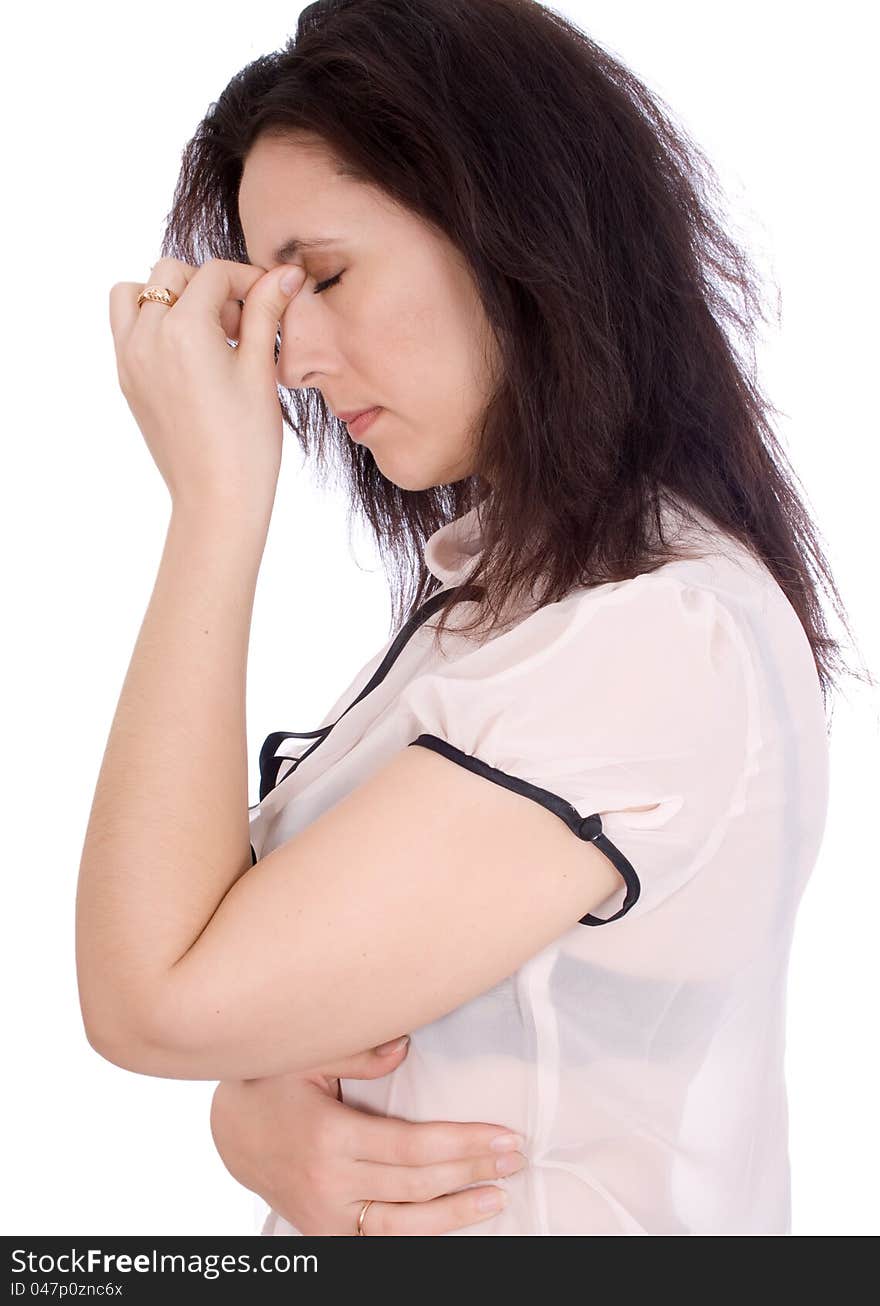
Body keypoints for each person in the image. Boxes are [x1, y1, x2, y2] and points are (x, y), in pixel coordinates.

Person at [79, 0, 872, 1236]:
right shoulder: (512, 607)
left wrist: (212, 511)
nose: (287, 359)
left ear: (513, 236)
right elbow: (247, 986)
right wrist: (246, 1108)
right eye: (277, 299)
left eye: (326, 276)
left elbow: (155, 1002)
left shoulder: (654, 641)